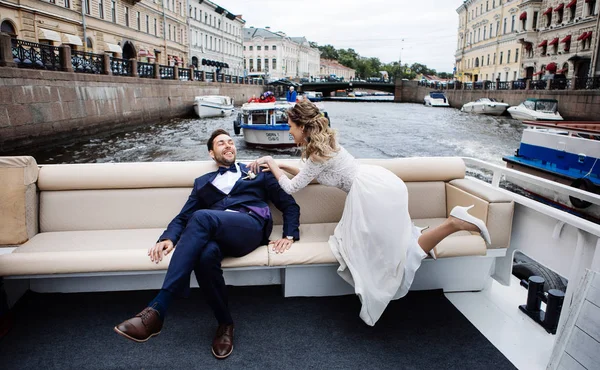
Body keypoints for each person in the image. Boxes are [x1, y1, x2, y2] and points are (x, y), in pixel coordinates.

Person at [248, 100, 491, 326]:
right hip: (379, 184)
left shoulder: (316, 154)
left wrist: (270, 161)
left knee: (389, 255)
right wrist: (280, 164)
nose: (289, 130)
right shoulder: (325, 146)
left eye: (290, 126)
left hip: (371, 196)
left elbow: (292, 186)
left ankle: (454, 222)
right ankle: (454, 222)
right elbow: (309, 172)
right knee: (395, 247)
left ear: (302, 126)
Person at [114, 129, 300, 359]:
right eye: (221, 143)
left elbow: (290, 205)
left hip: (250, 227)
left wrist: (289, 236)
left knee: (202, 217)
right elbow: (183, 216)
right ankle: (225, 324)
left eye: (231, 142)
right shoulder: (202, 183)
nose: (228, 145)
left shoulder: (258, 172)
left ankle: (159, 307)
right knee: (205, 256)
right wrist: (168, 238)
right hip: (216, 235)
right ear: (212, 153)